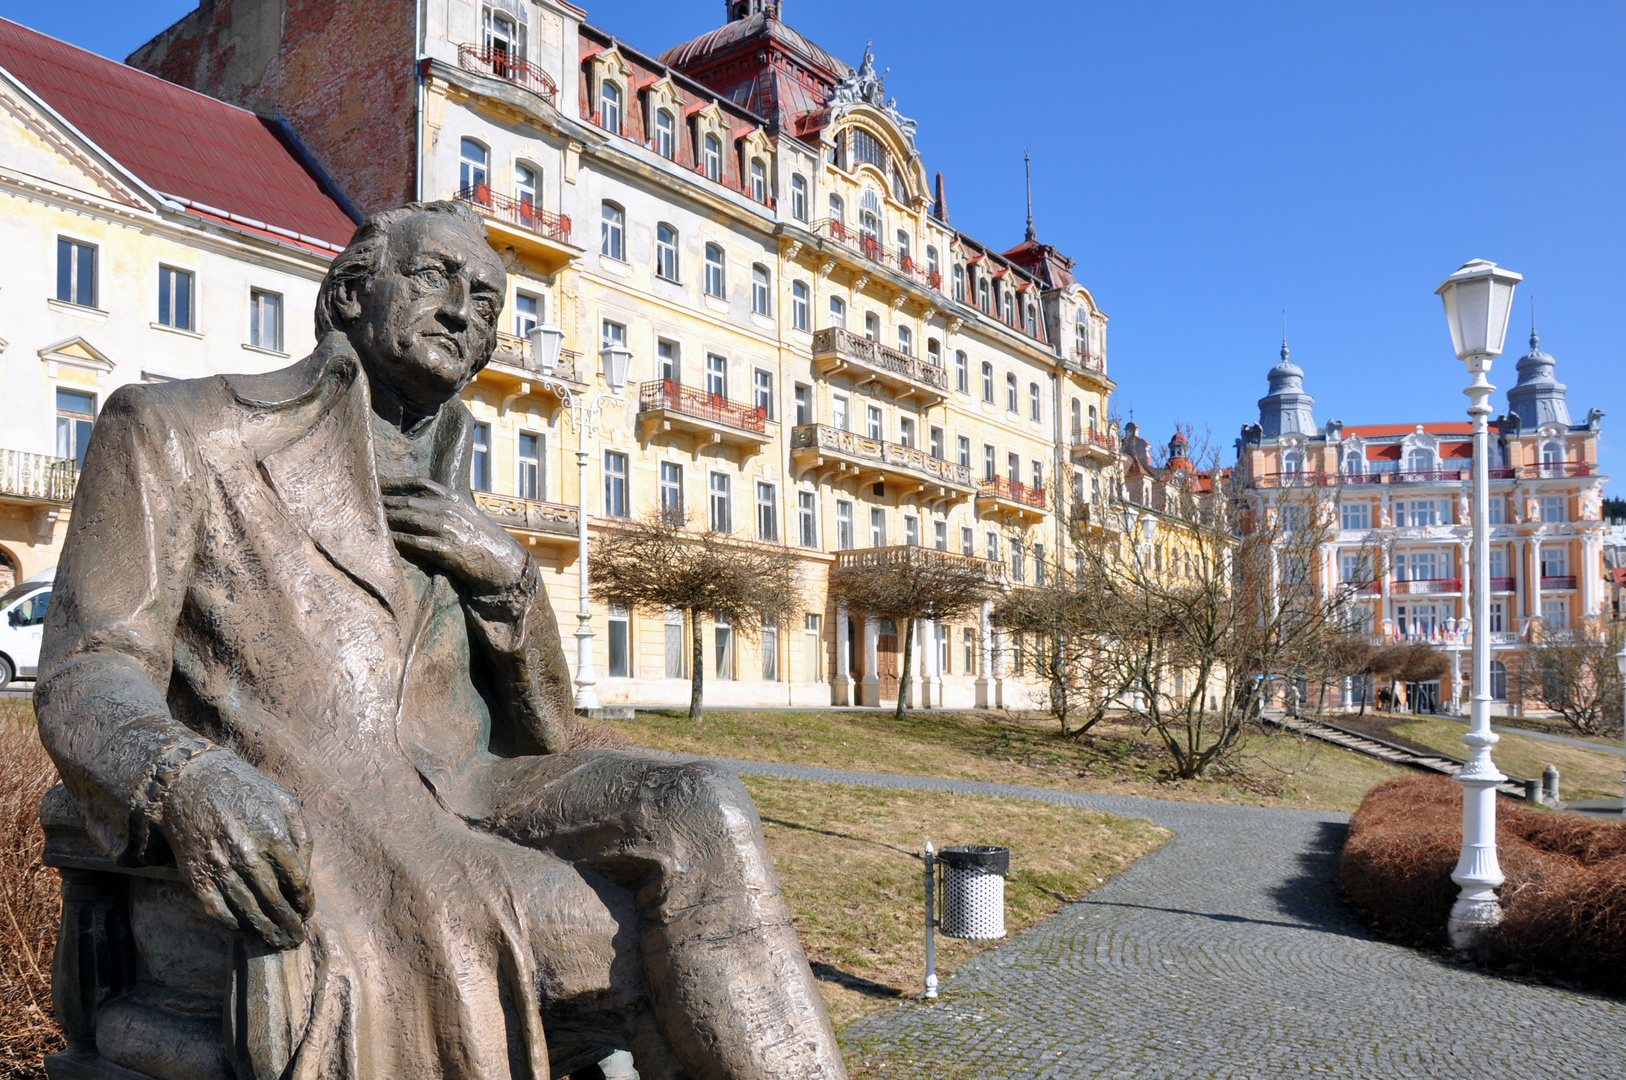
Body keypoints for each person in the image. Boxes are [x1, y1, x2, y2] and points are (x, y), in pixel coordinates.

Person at [36, 201, 846, 1080]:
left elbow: (546, 737)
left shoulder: (458, 502)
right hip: (323, 817)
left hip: (471, 790)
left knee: (706, 801)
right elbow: (89, 672)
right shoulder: (178, 430)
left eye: (491, 304)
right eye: (435, 279)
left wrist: (511, 582)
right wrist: (182, 778)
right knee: (632, 940)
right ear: (350, 293)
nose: (467, 311)